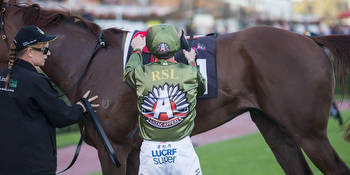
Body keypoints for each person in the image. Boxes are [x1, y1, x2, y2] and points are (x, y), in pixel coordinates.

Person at [0, 26, 99, 175]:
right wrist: (82, 106)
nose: (48, 53)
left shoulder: (2, 75)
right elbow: (62, 116)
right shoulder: (36, 81)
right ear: (30, 52)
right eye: (44, 50)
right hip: (34, 166)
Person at [123, 24, 206, 175]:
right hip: (182, 148)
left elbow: (128, 73)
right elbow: (201, 88)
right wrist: (191, 61)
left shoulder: (141, 73)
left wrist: (137, 50)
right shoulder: (190, 72)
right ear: (176, 45)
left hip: (151, 151)